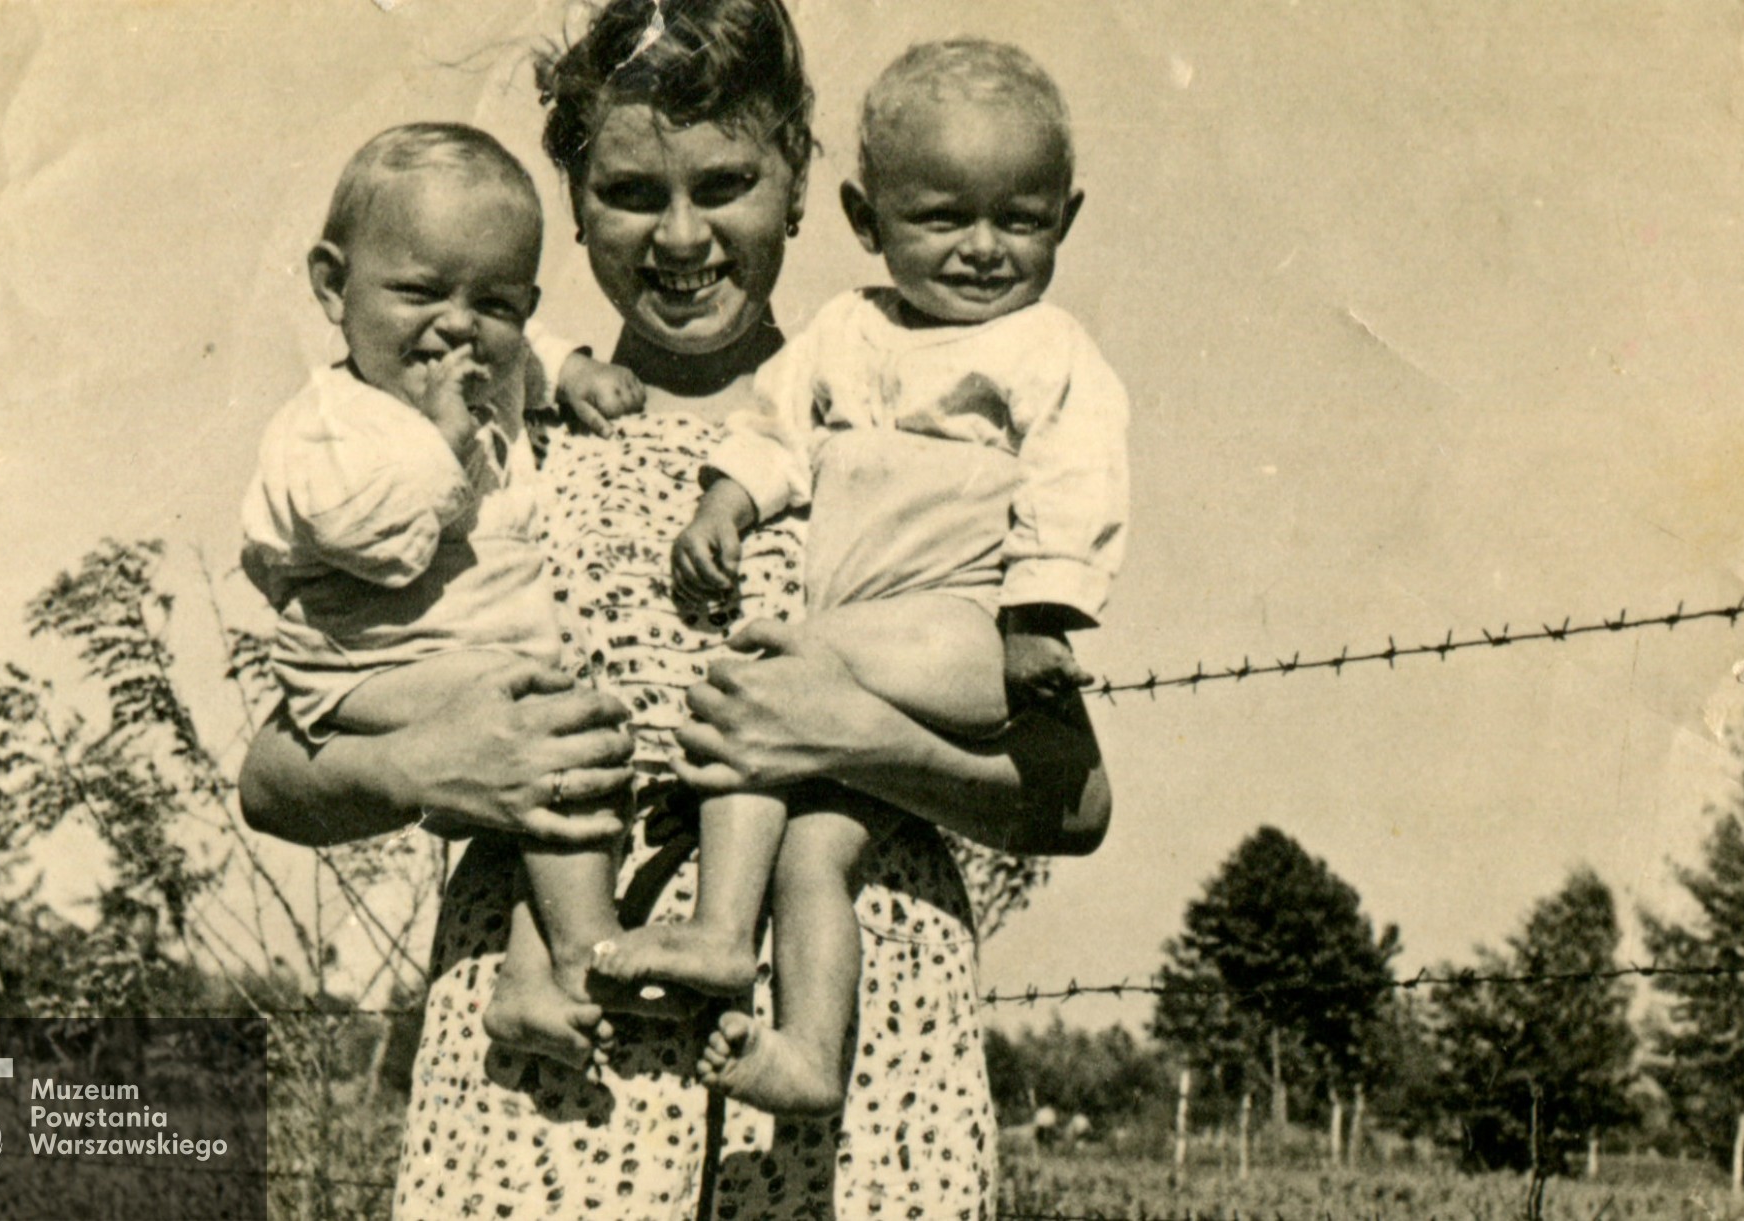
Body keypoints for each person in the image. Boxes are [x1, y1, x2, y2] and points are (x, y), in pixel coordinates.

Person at [238, 1, 1112, 1215]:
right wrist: (438, 764)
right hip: (555, 1072)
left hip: (852, 1059)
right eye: (633, 193)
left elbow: (1075, 794)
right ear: (574, 202)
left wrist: (858, 742)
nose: (683, 235)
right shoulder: (490, 440)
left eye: (726, 185)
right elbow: (276, 771)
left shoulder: (905, 419)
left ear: (800, 185)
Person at [597, 38, 1129, 1118]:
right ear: (865, 217)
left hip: (962, 629)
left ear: (1065, 220)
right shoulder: (847, 331)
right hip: (866, 642)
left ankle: (718, 929)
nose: (983, 251)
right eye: (943, 219)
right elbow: (774, 433)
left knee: (771, 670)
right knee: (814, 854)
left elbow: (1078, 479)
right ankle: (801, 1048)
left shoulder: (1047, 348)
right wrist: (725, 504)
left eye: (1019, 222)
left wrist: (1038, 613)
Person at [239, 122, 649, 1068]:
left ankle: (530, 978)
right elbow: (373, 544)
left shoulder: (486, 371)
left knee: (555, 755)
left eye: (494, 303)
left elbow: (525, 353)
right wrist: (440, 443)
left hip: (456, 652)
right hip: (372, 662)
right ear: (334, 286)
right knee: (556, 736)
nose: (459, 326)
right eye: (421, 293)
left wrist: (570, 369)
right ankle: (589, 954)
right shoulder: (329, 424)